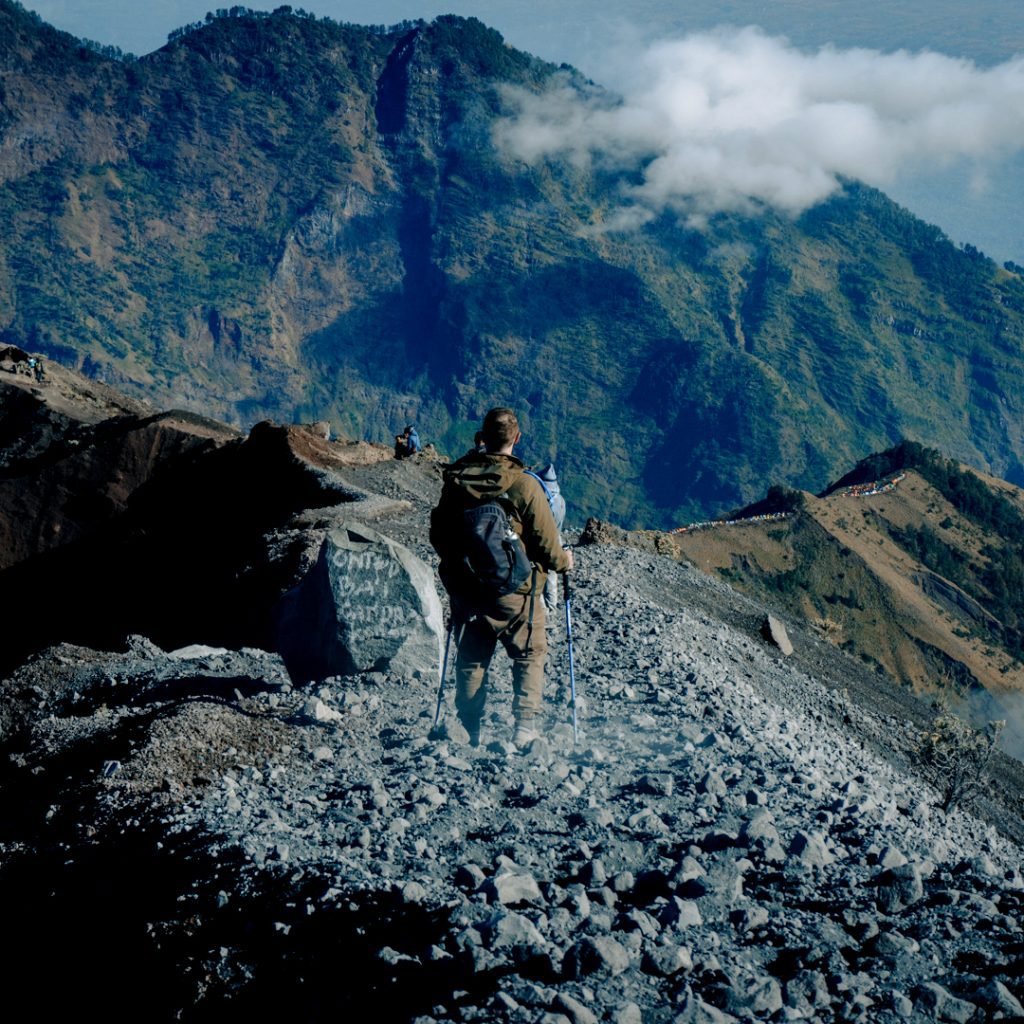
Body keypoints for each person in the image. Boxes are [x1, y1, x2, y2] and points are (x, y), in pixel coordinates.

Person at [430, 408, 574, 749]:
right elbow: (547, 544)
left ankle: (468, 729)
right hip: (515, 591)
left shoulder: (456, 482)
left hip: (468, 588)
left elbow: (439, 536)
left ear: (482, 437)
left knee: (472, 658)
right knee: (529, 653)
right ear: (517, 438)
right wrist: (563, 561)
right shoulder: (525, 486)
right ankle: (524, 728)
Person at [533, 464, 566, 619]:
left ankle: (542, 609)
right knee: (551, 575)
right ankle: (552, 607)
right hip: (556, 539)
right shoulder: (560, 500)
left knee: (537, 573)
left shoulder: (542, 501)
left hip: (542, 540)